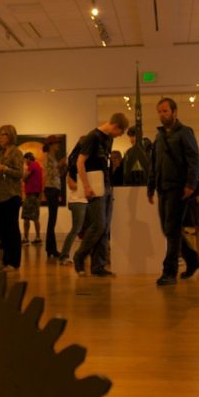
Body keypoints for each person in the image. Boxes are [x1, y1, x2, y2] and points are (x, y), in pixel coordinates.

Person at [147, 97, 199, 286]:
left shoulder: (185, 132)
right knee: (168, 229)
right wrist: (150, 186)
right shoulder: (160, 136)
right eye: (160, 111)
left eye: (165, 111)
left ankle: (169, 272)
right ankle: (194, 260)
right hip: (162, 189)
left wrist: (190, 184)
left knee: (171, 230)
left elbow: (193, 159)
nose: (162, 114)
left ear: (174, 112)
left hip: (178, 189)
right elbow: (154, 163)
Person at [73, 113, 129, 277]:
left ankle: (98, 266)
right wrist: (86, 186)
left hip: (106, 186)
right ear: (115, 126)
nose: (119, 136)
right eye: (120, 132)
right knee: (98, 225)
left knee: (104, 228)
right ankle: (80, 255)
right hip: (95, 187)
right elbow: (80, 162)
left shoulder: (108, 139)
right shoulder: (93, 137)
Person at [0, 124, 24, 271]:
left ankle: (14, 262)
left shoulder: (16, 153)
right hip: (0, 196)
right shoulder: (0, 153)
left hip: (12, 195)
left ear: (11, 136)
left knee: (12, 229)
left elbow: (19, 174)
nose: (0, 138)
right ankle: (6, 260)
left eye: (3, 134)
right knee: (3, 230)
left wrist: (4, 168)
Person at [42, 136, 64, 259]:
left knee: (52, 220)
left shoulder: (51, 157)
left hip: (53, 189)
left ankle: (50, 249)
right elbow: (50, 174)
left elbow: (56, 175)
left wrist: (61, 166)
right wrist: (59, 165)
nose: (58, 145)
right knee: (52, 220)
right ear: (51, 145)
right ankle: (51, 249)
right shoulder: (48, 158)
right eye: (56, 143)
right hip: (51, 189)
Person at [21, 152, 42, 244]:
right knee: (35, 217)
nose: (24, 162)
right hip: (35, 195)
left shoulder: (32, 165)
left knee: (26, 217)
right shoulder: (37, 165)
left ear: (28, 158)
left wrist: (24, 177)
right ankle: (37, 238)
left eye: (25, 159)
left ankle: (25, 238)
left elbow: (24, 177)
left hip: (31, 195)